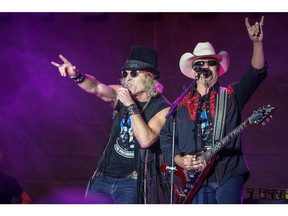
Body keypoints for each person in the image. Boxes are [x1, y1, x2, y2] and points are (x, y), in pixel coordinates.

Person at [160, 16, 267, 204]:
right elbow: (167, 137)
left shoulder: (231, 95)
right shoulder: (181, 103)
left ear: (218, 68)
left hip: (227, 172)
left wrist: (257, 44)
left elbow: (255, 73)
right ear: (193, 71)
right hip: (193, 177)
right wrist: (178, 160)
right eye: (200, 64)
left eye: (211, 63)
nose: (205, 67)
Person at [51, 46, 170, 204]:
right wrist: (77, 75)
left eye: (134, 73)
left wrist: (130, 105)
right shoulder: (122, 93)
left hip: (132, 182)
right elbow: (97, 87)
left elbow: (146, 140)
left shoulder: (163, 108)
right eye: (125, 73)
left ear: (149, 77)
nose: (127, 78)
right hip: (103, 177)